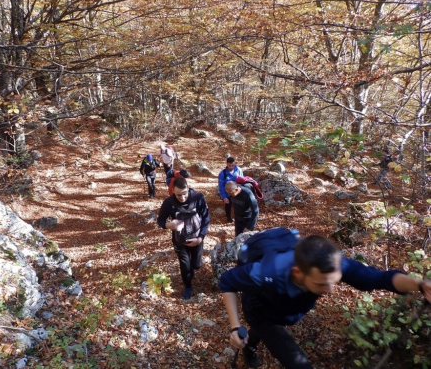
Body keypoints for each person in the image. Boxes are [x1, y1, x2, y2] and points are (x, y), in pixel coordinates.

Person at [219, 235, 431, 369]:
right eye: (321, 284)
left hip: (287, 307)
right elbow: (227, 282)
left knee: (268, 327)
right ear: (298, 273)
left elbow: (382, 279)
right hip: (259, 307)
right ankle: (249, 348)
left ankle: (251, 344)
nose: (329, 291)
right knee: (293, 359)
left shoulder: (332, 265)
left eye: (334, 282)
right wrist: (235, 327)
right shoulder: (266, 273)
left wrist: (420, 284)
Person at [157, 177, 210, 300]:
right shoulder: (169, 203)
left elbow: (206, 218)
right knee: (185, 266)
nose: (182, 198)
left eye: (184, 194)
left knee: (196, 265)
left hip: (197, 238)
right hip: (180, 241)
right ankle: (187, 286)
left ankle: (193, 267)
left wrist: (200, 238)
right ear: (173, 191)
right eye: (178, 195)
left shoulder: (198, 197)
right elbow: (160, 220)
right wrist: (169, 225)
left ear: (188, 188)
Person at [218, 157, 243, 223]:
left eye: (233, 165)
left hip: (237, 191)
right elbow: (221, 186)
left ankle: (239, 217)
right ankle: (228, 217)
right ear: (227, 164)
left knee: (238, 205)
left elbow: (242, 181)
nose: (231, 167)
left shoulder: (239, 170)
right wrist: (224, 197)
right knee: (228, 205)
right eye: (229, 165)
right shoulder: (223, 173)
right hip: (228, 193)